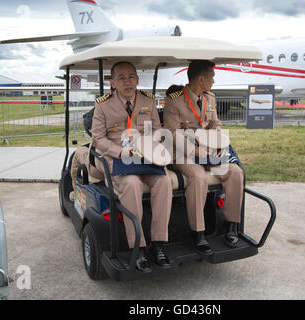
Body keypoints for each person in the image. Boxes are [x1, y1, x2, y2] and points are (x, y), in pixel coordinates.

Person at [91, 61, 172, 272]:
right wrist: (120, 152)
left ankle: (159, 243)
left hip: (146, 157)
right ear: (113, 83)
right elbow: (98, 138)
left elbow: (157, 129)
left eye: (131, 77)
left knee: (164, 181)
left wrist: (148, 145)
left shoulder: (148, 101)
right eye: (121, 78)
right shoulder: (103, 104)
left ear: (137, 79)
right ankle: (139, 246)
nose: (127, 82)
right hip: (118, 157)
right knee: (132, 185)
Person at [163, 60, 244, 254]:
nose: (214, 81)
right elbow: (172, 133)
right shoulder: (174, 100)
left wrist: (218, 144)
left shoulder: (210, 99)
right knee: (198, 177)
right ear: (201, 78)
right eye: (212, 76)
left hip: (208, 152)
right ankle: (198, 232)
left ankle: (231, 226)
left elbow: (215, 124)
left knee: (235, 172)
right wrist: (196, 151)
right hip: (183, 155)